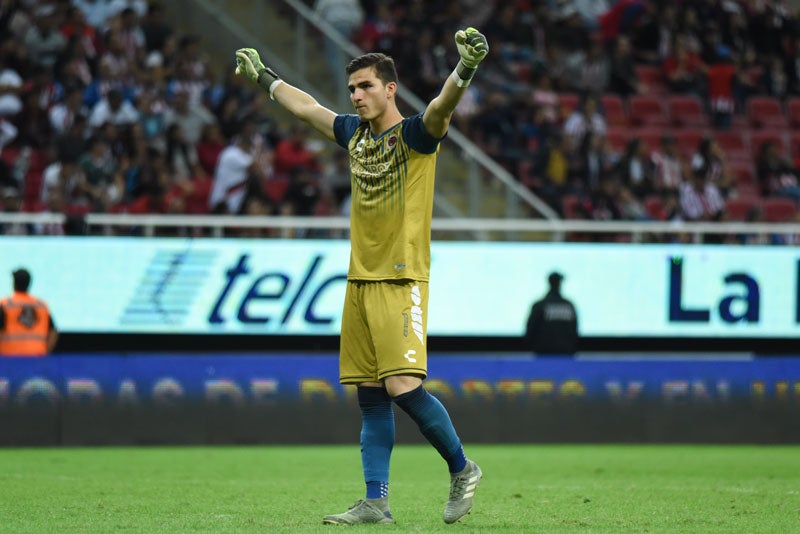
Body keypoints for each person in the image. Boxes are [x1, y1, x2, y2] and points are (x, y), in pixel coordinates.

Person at [234, 26, 489, 525]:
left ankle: (463, 468)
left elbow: (441, 108)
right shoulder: (353, 133)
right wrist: (265, 77)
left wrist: (465, 70)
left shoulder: (416, 135)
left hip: (401, 278)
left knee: (402, 387)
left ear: (390, 88)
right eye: (353, 88)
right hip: (360, 280)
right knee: (370, 396)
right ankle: (376, 501)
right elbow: (307, 108)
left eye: (367, 86)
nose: (357, 95)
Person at [0, 268, 58, 357]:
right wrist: (46, 351)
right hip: (37, 356)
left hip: (9, 358)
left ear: (14, 283)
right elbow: (53, 332)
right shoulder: (41, 305)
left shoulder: (5, 305)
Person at [525, 272, 579, 355]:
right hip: (565, 355)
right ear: (559, 284)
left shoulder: (539, 305)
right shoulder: (569, 306)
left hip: (543, 356)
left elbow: (530, 331)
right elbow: (574, 332)